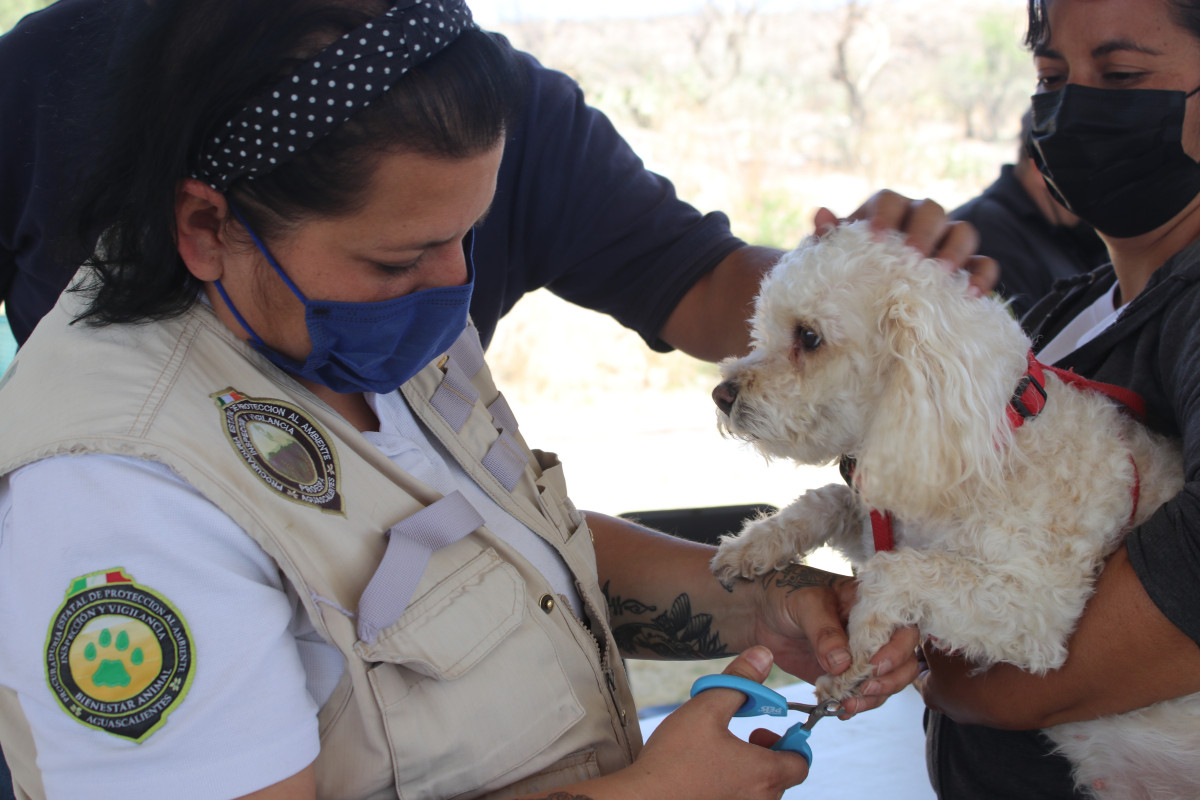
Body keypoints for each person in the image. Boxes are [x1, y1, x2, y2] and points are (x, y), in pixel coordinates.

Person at [0, 2, 923, 797]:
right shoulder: (119, 493)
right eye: (400, 259)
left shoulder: (345, 320)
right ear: (208, 225)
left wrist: (760, 602)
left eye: (466, 237)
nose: (451, 290)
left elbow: (497, 546)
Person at [919, 0, 1200, 797]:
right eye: (1051, 76)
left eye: (1121, 77)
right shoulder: (1065, 311)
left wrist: (964, 683)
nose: (1073, 108)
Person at [949, 109, 1108, 319]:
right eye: (1098, 170)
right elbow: (1031, 345)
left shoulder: (1062, 225)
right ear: (1045, 169)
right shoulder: (988, 234)